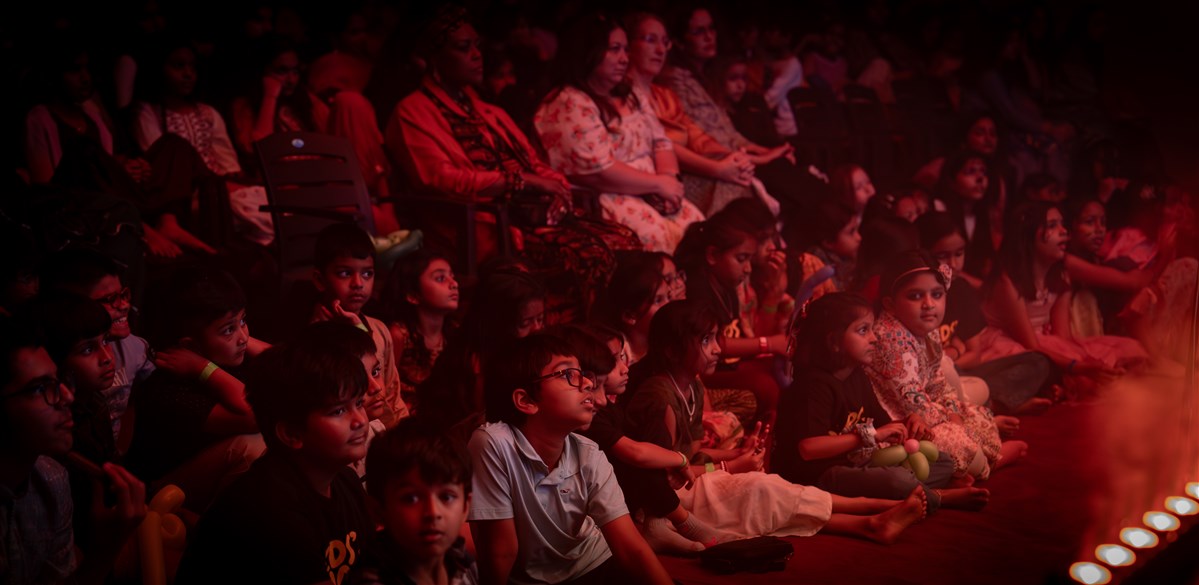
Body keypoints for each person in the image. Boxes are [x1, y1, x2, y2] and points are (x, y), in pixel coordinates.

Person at [623, 299, 928, 543]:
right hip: (665, 503)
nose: (718, 348)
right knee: (762, 491)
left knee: (768, 487)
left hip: (691, 483)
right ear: (672, 350)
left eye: (716, 337)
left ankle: (876, 513)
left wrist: (737, 453)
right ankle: (872, 518)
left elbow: (689, 453)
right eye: (706, 340)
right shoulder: (659, 397)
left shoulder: (693, 386)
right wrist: (728, 466)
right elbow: (666, 479)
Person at [469, 332, 674, 585]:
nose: (587, 383)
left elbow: (632, 550)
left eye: (583, 374)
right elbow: (502, 550)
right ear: (526, 400)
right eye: (568, 374)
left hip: (593, 562)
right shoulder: (494, 443)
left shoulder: (589, 454)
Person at [174, 333, 376, 585]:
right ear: (291, 433)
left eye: (359, 403)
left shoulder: (344, 481)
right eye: (339, 411)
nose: (360, 421)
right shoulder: (268, 512)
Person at [775, 293, 990, 513]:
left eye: (871, 329)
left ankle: (914, 492)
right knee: (897, 480)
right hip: (817, 476)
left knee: (943, 462)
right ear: (834, 342)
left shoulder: (856, 375)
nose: (874, 338)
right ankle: (939, 497)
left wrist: (909, 421)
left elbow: (881, 425)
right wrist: (870, 436)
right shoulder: (813, 385)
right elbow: (808, 449)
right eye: (863, 330)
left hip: (854, 462)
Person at [534, 12, 703, 253]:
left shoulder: (630, 92)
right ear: (588, 51)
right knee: (656, 239)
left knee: (699, 230)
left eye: (625, 49)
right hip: (610, 198)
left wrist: (670, 183)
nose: (624, 58)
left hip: (656, 192)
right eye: (614, 49)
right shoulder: (568, 102)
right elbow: (598, 171)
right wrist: (657, 184)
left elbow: (661, 142)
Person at [0, 317, 145, 584]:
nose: (67, 397)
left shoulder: (51, 480)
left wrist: (105, 551)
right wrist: (103, 553)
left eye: (58, 381)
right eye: (40, 388)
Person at [865, 250, 1024, 482]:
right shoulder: (890, 339)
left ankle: (976, 457)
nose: (929, 304)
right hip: (898, 426)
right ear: (890, 304)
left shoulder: (924, 326)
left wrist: (953, 412)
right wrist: (952, 419)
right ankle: (991, 463)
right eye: (915, 296)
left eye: (937, 294)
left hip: (926, 414)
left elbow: (937, 383)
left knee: (975, 409)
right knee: (955, 441)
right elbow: (915, 408)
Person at [124, 265, 265, 512]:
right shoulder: (168, 388)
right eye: (228, 330)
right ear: (190, 345)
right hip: (162, 491)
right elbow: (255, 416)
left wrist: (234, 331)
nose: (243, 337)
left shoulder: (226, 353)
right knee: (251, 448)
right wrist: (203, 367)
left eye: (243, 321)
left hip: (205, 470)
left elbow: (291, 369)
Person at [974, 202, 1149, 388]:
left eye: (1062, 224)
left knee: (1129, 351)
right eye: (1052, 225)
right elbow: (1031, 346)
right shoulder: (1008, 282)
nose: (1064, 231)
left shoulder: (1060, 275)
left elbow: (1063, 337)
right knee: (1039, 367)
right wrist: (1079, 367)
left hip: (1044, 342)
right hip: (1015, 345)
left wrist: (1087, 360)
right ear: (1028, 236)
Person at [917, 211, 1055, 415]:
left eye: (959, 254)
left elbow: (975, 356)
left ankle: (988, 403)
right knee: (945, 377)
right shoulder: (919, 297)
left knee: (1037, 362)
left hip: (961, 372)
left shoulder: (961, 289)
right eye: (942, 256)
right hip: (932, 379)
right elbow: (923, 367)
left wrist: (954, 356)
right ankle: (993, 406)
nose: (953, 264)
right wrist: (955, 353)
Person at [623, 12, 757, 217]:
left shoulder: (665, 95)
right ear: (629, 46)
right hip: (658, 179)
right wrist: (718, 168)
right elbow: (664, 146)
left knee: (740, 177)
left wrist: (733, 158)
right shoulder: (623, 95)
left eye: (665, 42)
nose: (660, 50)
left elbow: (697, 137)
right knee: (731, 183)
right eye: (650, 40)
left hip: (688, 173)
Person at [40, 249, 154, 449]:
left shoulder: (135, 347)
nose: (124, 305)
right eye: (109, 299)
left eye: (123, 295)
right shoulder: (51, 365)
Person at [350, 418, 479, 585]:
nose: (433, 513)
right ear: (378, 511)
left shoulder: (459, 559)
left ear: (465, 507)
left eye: (446, 497)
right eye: (411, 498)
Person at [418, 268, 547, 431]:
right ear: (498, 322)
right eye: (525, 323)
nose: (537, 329)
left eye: (540, 319)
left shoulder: (535, 351)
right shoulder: (475, 364)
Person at [310, 223, 408, 428]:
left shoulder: (379, 329)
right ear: (320, 280)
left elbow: (392, 394)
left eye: (367, 274)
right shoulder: (316, 338)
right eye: (345, 273)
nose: (358, 283)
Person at [380, 249, 459, 412]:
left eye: (453, 276)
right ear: (413, 295)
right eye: (440, 278)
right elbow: (384, 388)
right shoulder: (399, 334)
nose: (454, 284)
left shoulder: (454, 332)